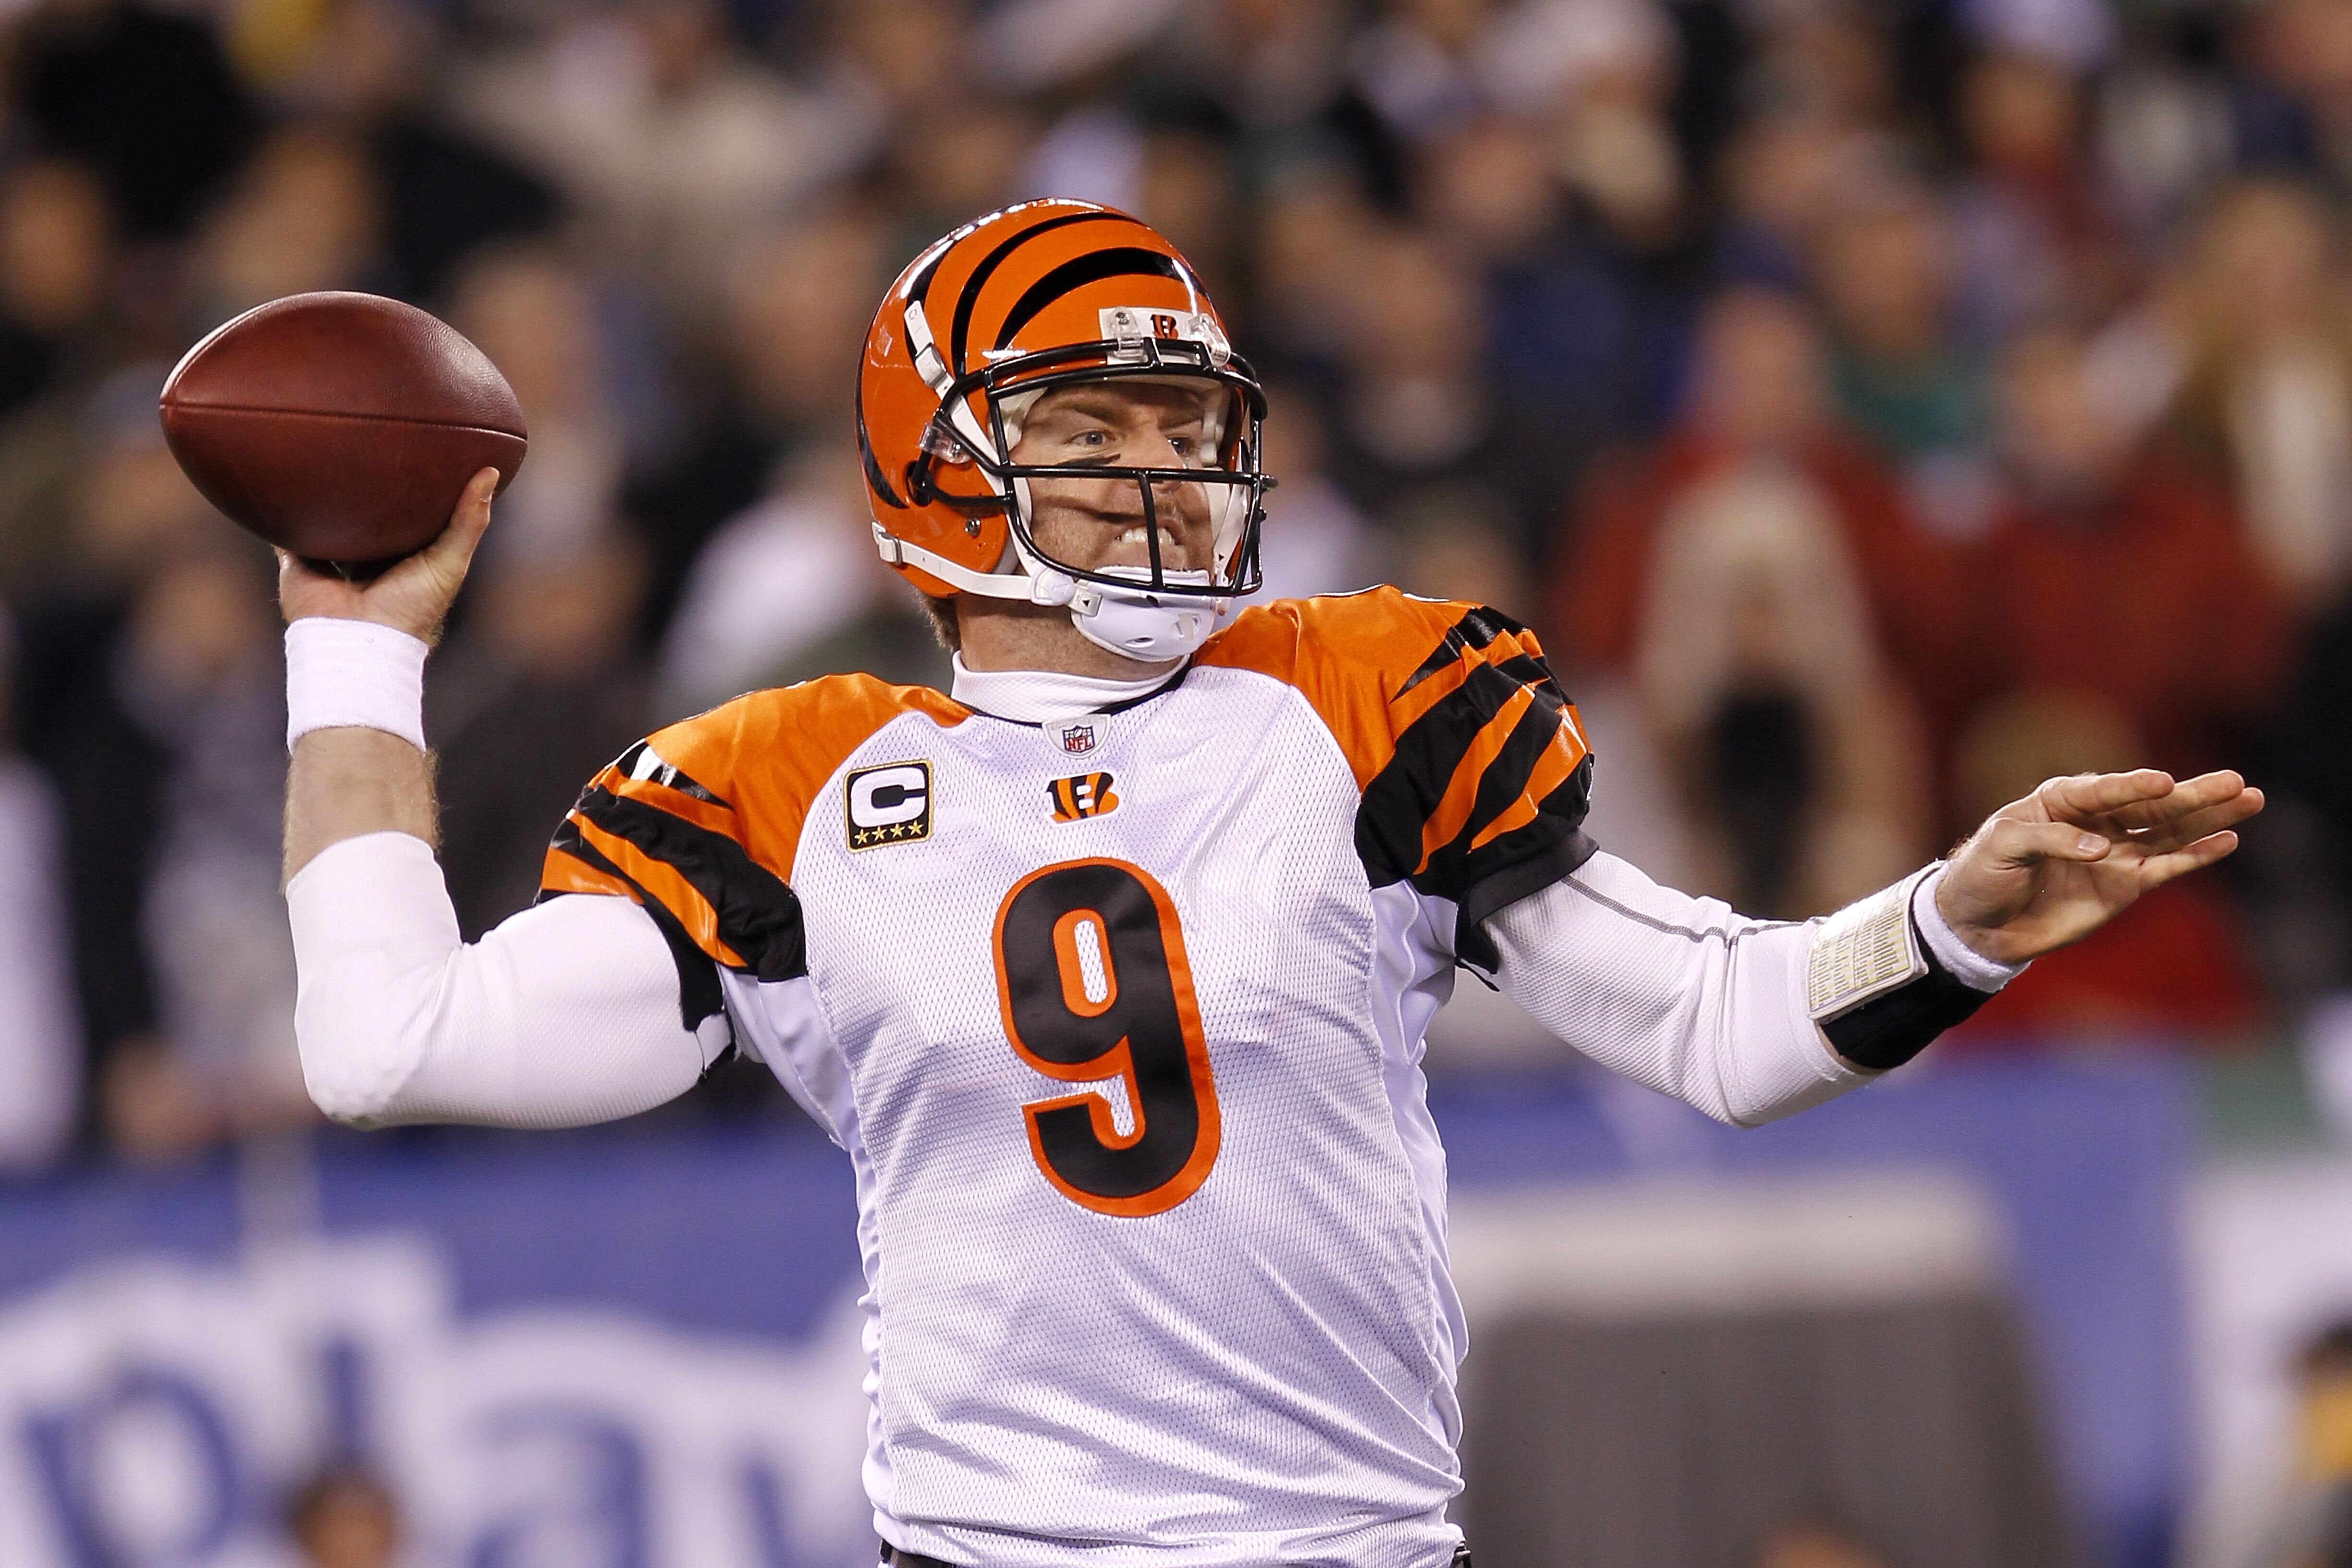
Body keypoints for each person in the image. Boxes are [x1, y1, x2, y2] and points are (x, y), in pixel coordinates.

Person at [278, 202, 2260, 1568]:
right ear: (935, 474)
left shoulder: (1360, 696)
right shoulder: (795, 783)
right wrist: (355, 642)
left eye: (1181, 422)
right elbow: (388, 1040)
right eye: (1090, 428)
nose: (1163, 473)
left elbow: (1725, 1031)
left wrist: (1953, 922)